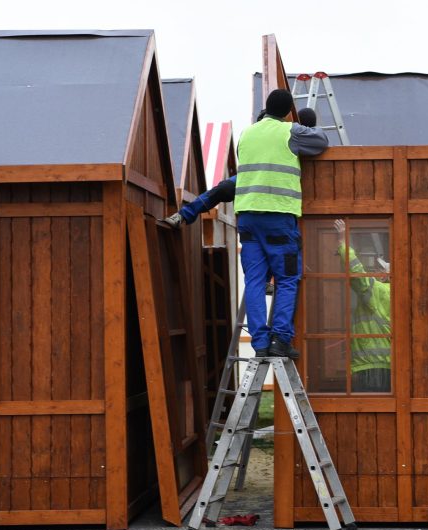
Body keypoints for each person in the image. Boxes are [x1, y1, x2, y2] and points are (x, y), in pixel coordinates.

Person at [236, 90, 328, 358]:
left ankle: (260, 344)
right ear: (289, 111)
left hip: (248, 218)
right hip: (278, 217)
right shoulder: (290, 132)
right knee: (287, 279)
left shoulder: (246, 134)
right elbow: (321, 141)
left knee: (254, 281)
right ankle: (281, 340)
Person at [163, 108, 319, 228]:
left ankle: (184, 214)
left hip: (272, 187)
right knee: (224, 188)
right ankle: (183, 215)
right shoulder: (290, 133)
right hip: (263, 184)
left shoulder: (293, 134)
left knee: (222, 189)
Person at [334, 219, 392, 392]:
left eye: (379, 270)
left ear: (386, 275)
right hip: (388, 365)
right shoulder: (396, 293)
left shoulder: (378, 290)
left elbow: (356, 271)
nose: (375, 272)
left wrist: (342, 241)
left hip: (371, 367)